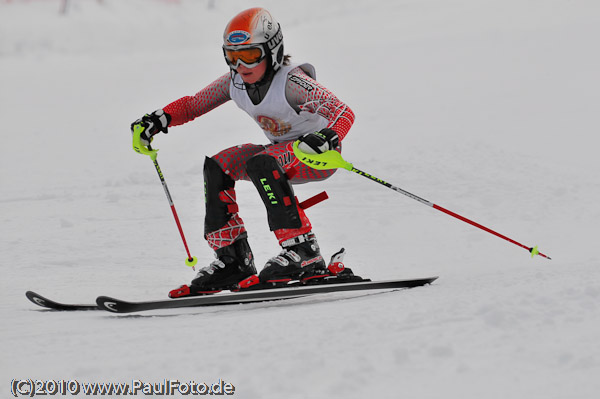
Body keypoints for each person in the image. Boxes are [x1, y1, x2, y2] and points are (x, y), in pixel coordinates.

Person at [131, 7, 355, 295]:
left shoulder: (292, 82)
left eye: (249, 55)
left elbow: (343, 112)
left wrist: (328, 136)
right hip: (279, 154)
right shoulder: (234, 81)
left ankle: (303, 250)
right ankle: (233, 259)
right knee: (218, 165)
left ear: (273, 51)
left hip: (316, 156)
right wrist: (158, 119)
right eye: (231, 56)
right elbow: (193, 105)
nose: (240, 64)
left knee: (261, 163)